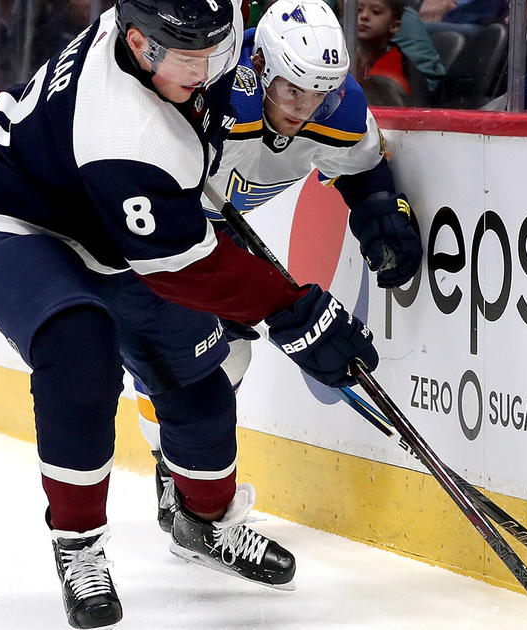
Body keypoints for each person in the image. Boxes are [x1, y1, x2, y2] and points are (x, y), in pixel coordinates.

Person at [0, 0, 380, 627]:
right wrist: (293, 312)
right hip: (18, 219)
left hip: (113, 223)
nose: (206, 69)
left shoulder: (193, 34)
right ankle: (80, 547)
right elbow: (184, 268)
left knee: (199, 381)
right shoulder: (124, 130)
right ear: (139, 45)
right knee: (80, 349)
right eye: (187, 58)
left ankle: (204, 524)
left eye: (213, 50)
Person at [136, 0, 422, 533]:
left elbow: (362, 171)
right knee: (186, 357)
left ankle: (179, 467)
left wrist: (381, 212)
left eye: (321, 92)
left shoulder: (340, 110)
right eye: (293, 89)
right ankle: (175, 469)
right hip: (152, 225)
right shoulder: (209, 91)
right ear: (260, 66)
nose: (305, 107)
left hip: (214, 229)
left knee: (231, 358)